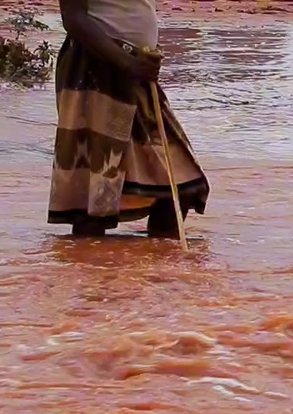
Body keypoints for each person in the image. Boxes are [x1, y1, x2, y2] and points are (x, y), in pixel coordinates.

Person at [49, 0, 210, 237]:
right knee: (96, 189)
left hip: (135, 70)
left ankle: (153, 267)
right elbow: (74, 20)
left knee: (179, 188)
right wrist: (127, 61)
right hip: (96, 69)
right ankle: (92, 268)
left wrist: (141, 59)